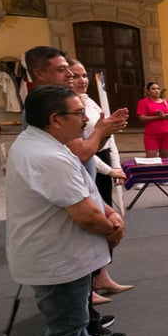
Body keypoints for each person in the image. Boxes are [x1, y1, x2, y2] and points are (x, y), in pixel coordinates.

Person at [6, 85, 126, 336]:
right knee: (66, 324)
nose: (86, 119)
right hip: (57, 256)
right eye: (79, 113)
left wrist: (109, 211)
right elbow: (86, 215)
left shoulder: (43, 145)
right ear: (55, 119)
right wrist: (112, 227)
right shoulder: (47, 156)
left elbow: (85, 189)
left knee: (75, 316)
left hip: (61, 252)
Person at [70, 60, 132, 298]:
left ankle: (102, 274)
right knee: (93, 223)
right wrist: (108, 170)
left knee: (108, 219)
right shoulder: (68, 108)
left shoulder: (90, 102)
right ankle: (88, 283)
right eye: (75, 76)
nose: (82, 80)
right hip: (88, 163)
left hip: (102, 157)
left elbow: (108, 137)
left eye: (84, 75)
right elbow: (80, 148)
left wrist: (116, 166)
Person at [136, 82, 168, 158]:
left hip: (167, 134)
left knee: (165, 159)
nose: (156, 91)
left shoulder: (166, 102)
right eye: (153, 89)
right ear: (148, 91)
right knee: (151, 159)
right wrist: (157, 117)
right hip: (151, 134)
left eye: (158, 89)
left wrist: (166, 116)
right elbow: (142, 118)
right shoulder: (143, 102)